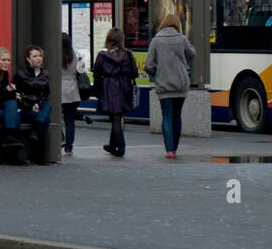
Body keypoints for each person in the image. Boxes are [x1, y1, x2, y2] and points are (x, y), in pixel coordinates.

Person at [145, 13, 196, 159]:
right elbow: (192, 54)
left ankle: (169, 150)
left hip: (164, 85)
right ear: (177, 24)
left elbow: (148, 65)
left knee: (166, 116)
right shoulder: (181, 38)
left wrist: (158, 72)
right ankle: (175, 148)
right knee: (177, 116)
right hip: (181, 84)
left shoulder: (156, 40)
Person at [94, 27, 138, 158]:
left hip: (109, 87)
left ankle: (121, 147)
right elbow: (134, 73)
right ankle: (112, 145)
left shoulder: (102, 55)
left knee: (115, 117)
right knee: (117, 116)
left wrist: (97, 91)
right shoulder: (128, 54)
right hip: (124, 87)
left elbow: (96, 73)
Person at [12, 44, 53, 154]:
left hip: (38, 108)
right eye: (35, 56)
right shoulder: (20, 75)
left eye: (40, 55)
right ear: (28, 59)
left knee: (47, 106)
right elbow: (16, 95)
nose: (38, 58)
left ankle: (36, 129)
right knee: (45, 119)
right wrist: (31, 105)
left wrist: (38, 105)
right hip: (25, 110)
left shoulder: (45, 74)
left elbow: (45, 94)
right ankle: (41, 156)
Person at [60, 32, 89, 156]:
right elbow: (81, 72)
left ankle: (61, 138)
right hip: (73, 90)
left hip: (59, 89)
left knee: (53, 117)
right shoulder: (76, 56)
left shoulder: (55, 55)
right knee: (69, 120)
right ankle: (69, 147)